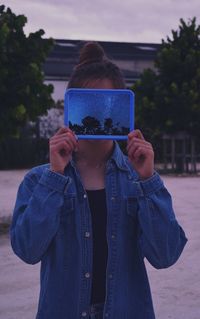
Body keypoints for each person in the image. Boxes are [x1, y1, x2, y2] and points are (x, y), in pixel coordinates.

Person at [10, 42, 187, 319]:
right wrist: (55, 177)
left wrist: (148, 180)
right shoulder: (40, 180)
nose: (100, 114)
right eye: (88, 103)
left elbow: (165, 255)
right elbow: (27, 250)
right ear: (71, 106)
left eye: (109, 104)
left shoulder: (138, 179)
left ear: (122, 107)